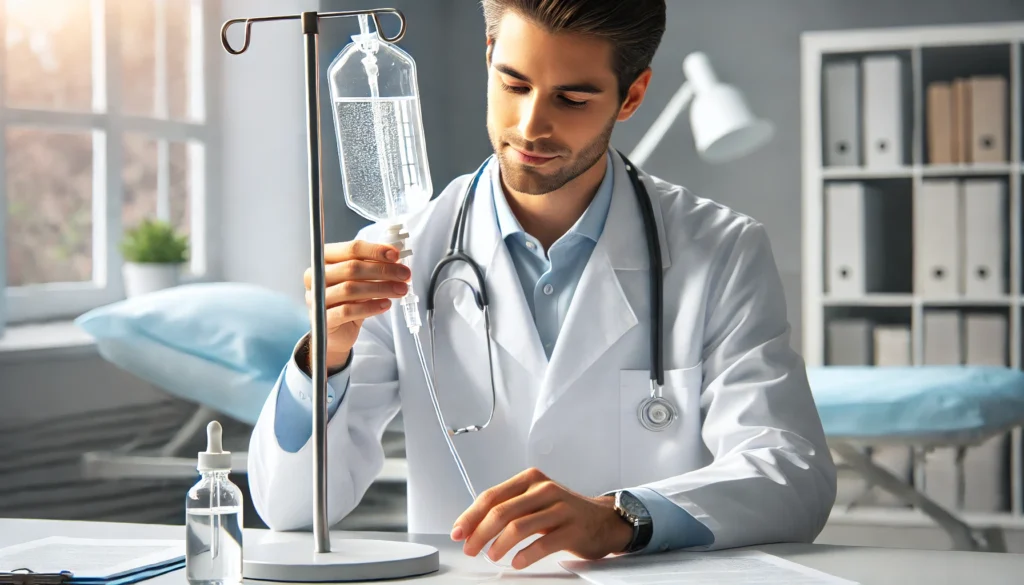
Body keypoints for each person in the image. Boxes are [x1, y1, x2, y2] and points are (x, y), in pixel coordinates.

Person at [248, 0, 836, 570]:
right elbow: (290, 509)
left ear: (631, 96)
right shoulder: (402, 253)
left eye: (572, 98)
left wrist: (621, 518)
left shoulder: (721, 250)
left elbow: (791, 473)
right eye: (513, 84)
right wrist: (325, 355)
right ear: (488, 57)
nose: (531, 125)